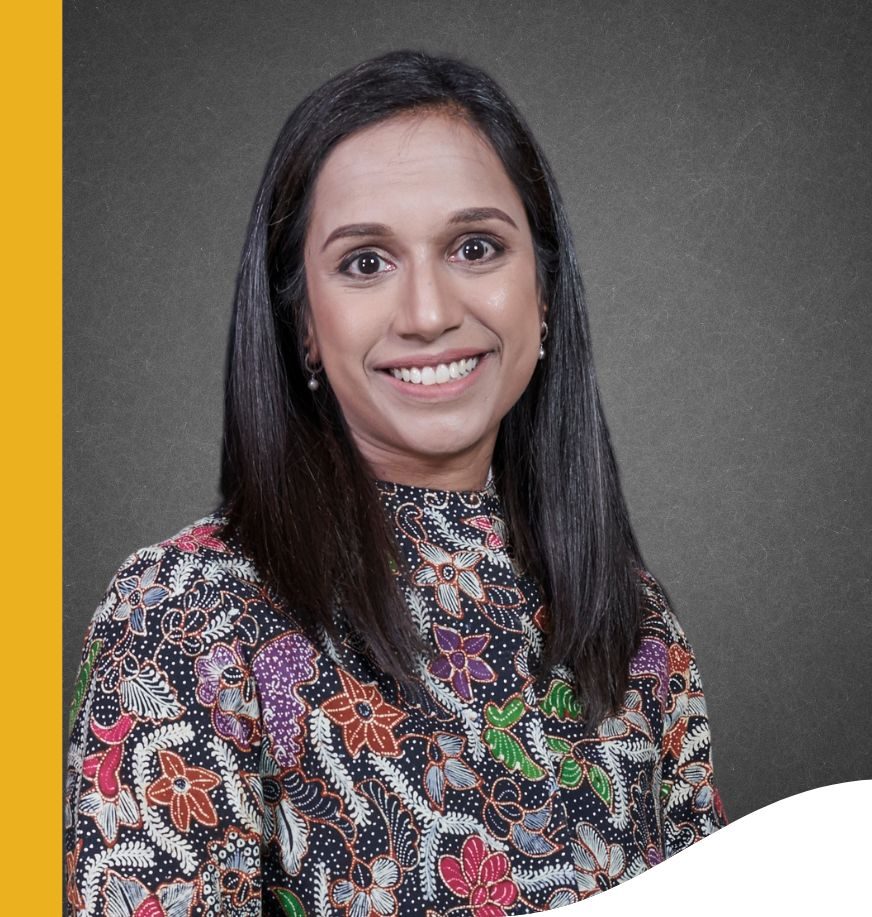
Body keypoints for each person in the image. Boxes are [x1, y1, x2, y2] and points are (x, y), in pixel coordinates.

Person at [65, 50, 726, 916]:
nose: (427, 312)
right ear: (304, 322)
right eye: (366, 262)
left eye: (475, 247)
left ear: (545, 294)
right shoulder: (186, 613)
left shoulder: (634, 622)